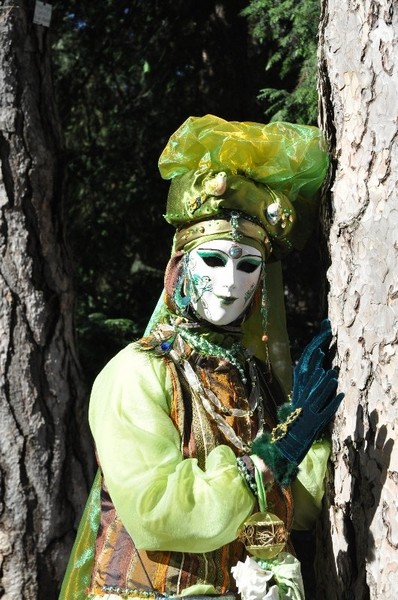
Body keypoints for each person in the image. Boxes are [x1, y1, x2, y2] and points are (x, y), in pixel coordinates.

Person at [60, 115, 343, 600]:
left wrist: (306, 435)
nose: (231, 283)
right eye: (213, 259)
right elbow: (158, 511)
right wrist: (274, 458)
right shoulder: (138, 371)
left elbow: (303, 509)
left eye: (247, 265)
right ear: (179, 265)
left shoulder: (252, 377)